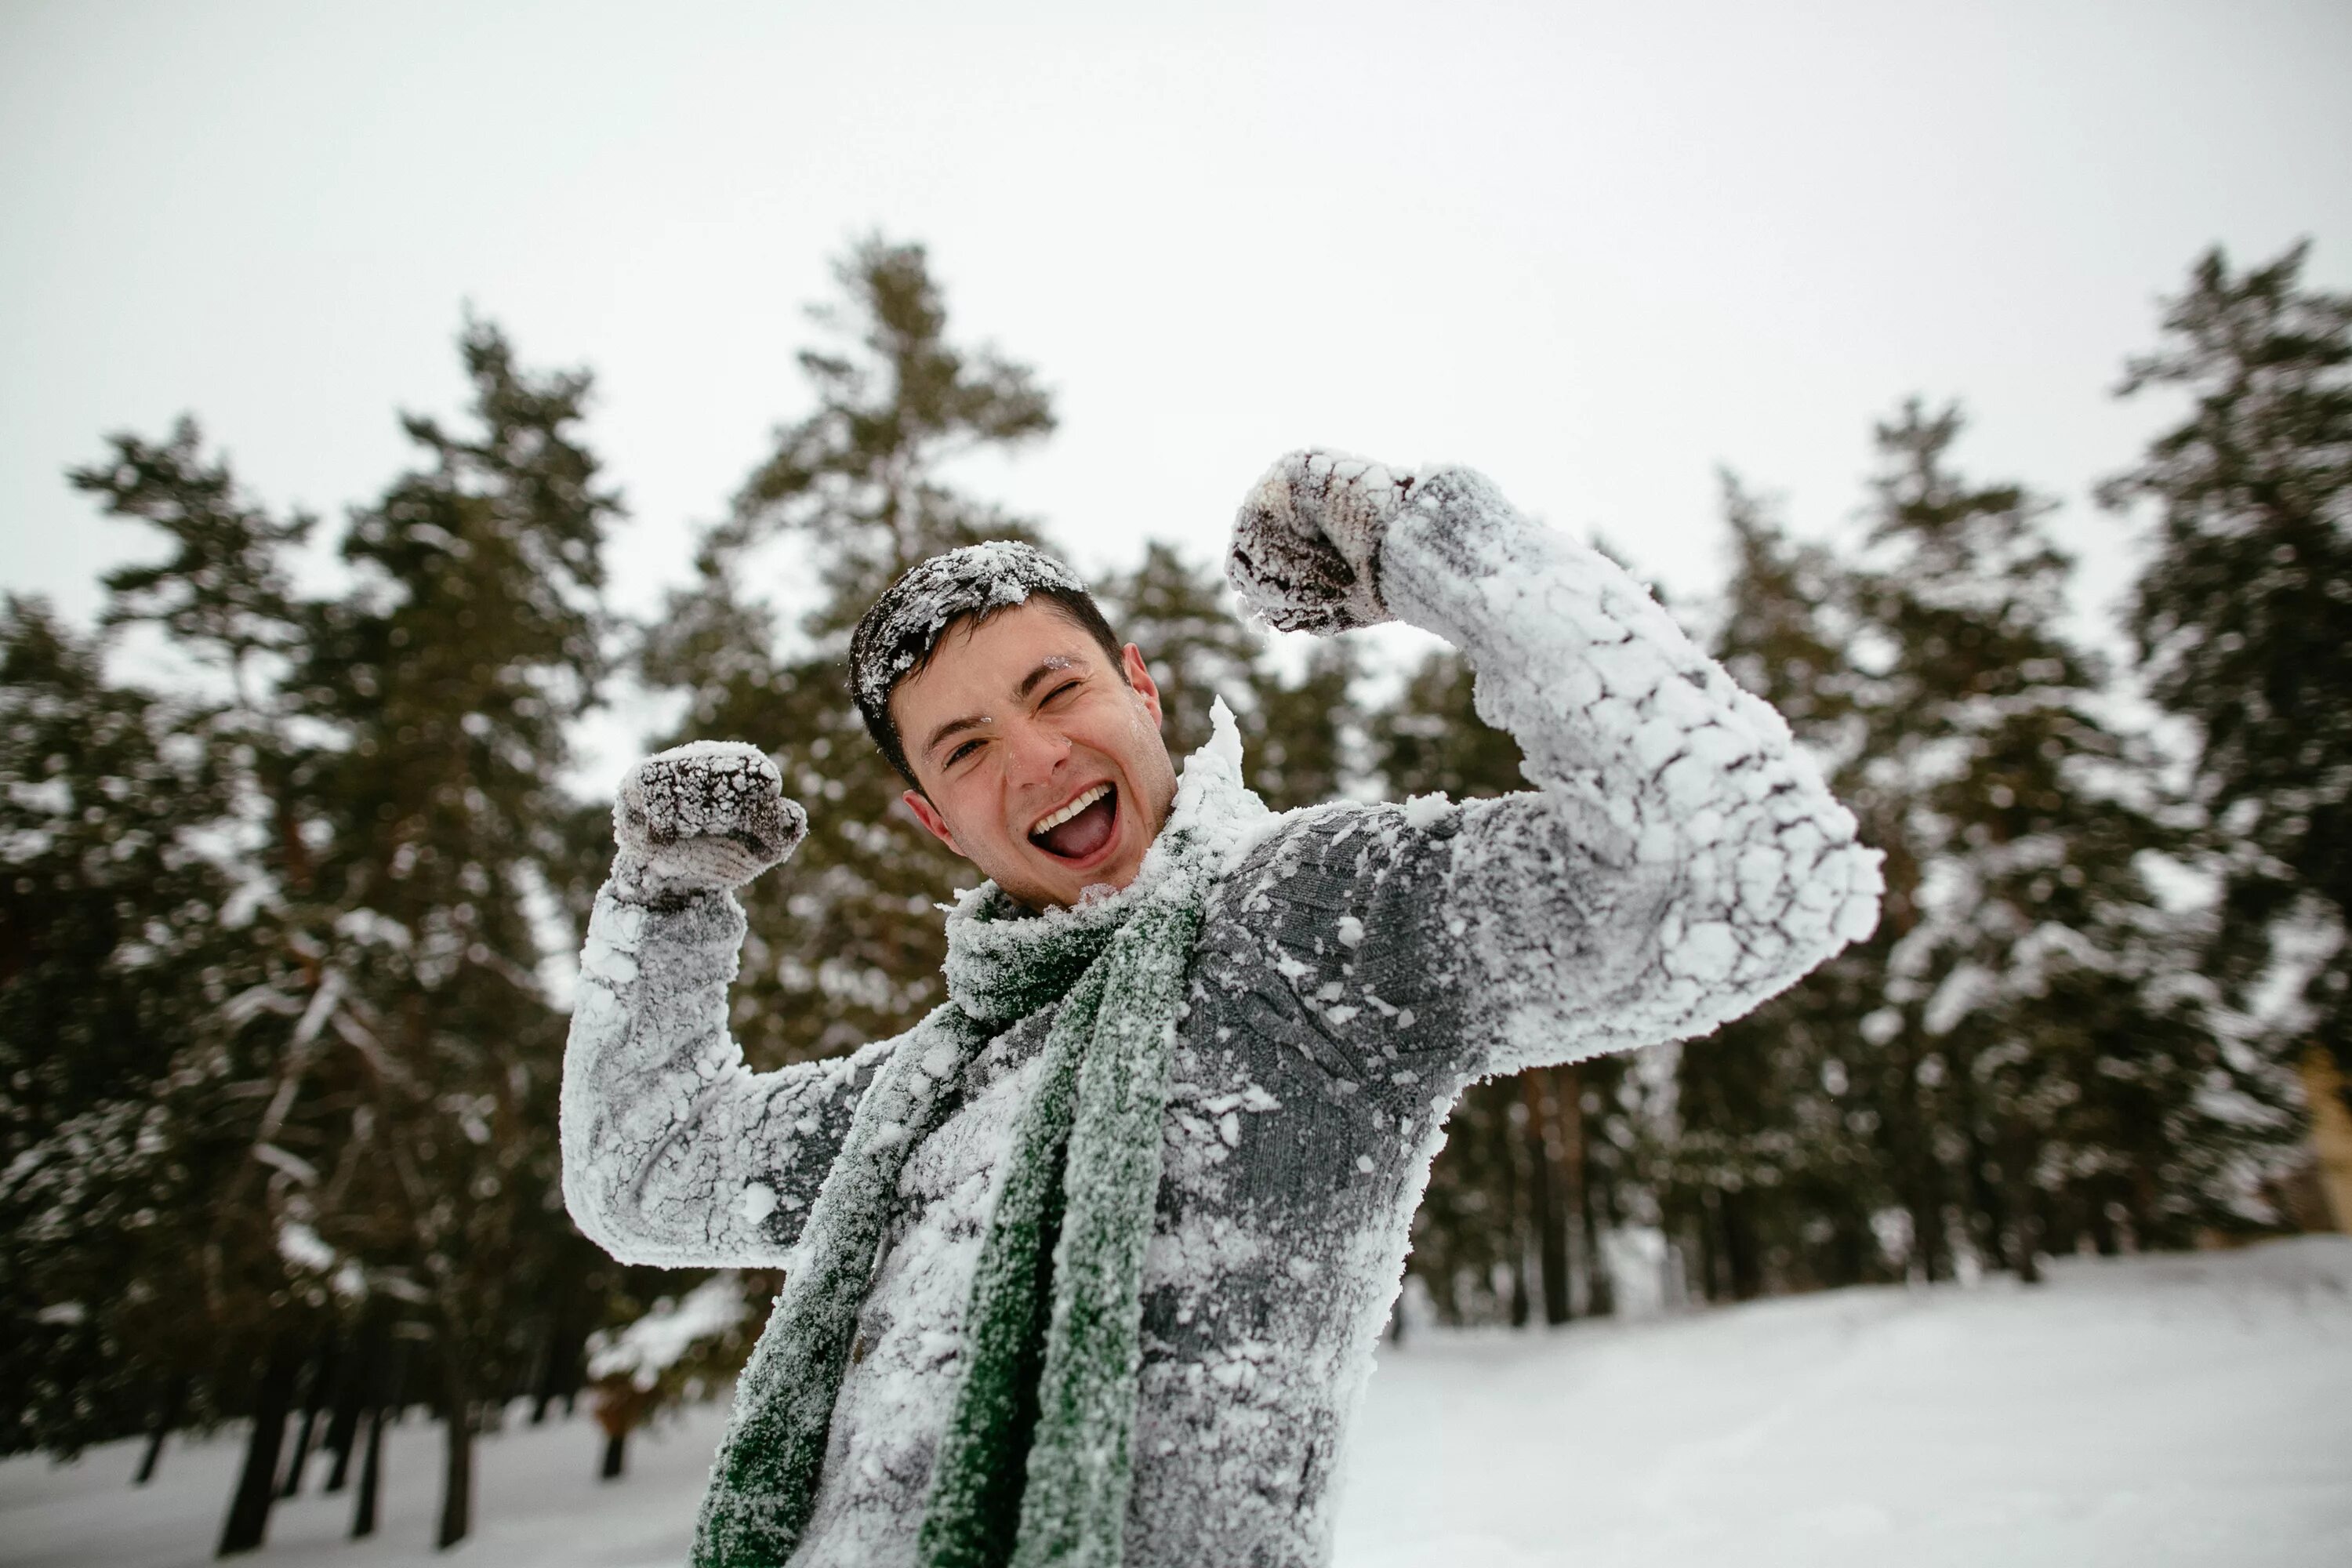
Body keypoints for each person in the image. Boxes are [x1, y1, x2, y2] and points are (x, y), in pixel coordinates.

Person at [561, 452, 1882, 1568]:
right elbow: (646, 1173)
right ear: (933, 821)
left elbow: (1749, 872)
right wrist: (666, 906)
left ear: (1141, 686)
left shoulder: (1315, 930)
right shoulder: (926, 1090)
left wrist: (1421, 542)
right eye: (963, 749)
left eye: (1055, 689)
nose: (1035, 759)